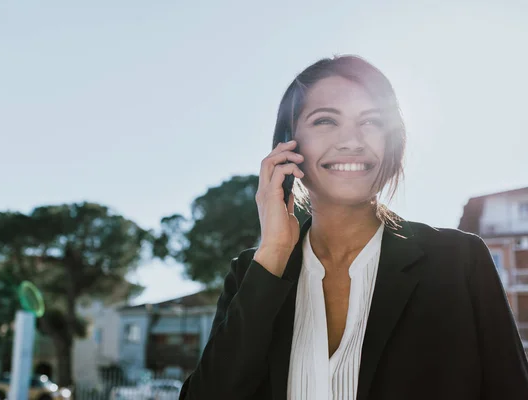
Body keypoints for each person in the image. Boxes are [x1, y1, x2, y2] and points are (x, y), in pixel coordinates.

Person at [178, 55, 528, 400]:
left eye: (372, 122)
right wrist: (273, 253)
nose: (352, 141)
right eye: (326, 121)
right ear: (288, 144)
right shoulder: (250, 273)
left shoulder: (459, 262)